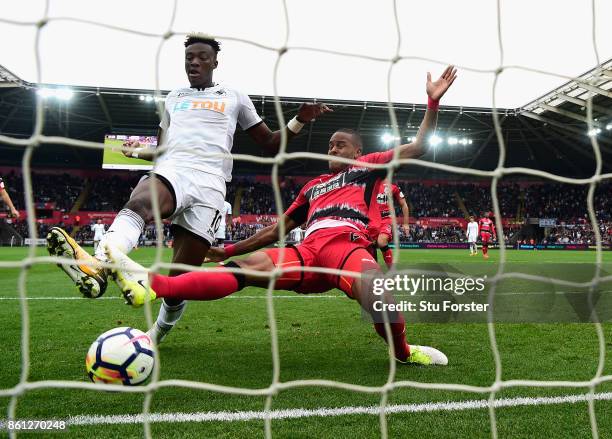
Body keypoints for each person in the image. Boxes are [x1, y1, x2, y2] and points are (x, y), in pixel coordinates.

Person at [107, 66, 457, 363]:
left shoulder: (369, 166)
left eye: (340, 144)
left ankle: (404, 353)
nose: (332, 148)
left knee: (378, 294)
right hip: (306, 253)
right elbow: (276, 230)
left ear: (358, 150)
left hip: (347, 249)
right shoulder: (314, 187)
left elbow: (419, 147)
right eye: (330, 144)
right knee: (239, 271)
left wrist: (432, 102)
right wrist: (229, 250)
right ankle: (150, 286)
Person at [46, 34, 331, 340]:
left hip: (211, 185)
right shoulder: (174, 97)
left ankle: (155, 334)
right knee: (141, 203)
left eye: (201, 57)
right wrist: (136, 152)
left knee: (179, 279)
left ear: (215, 62)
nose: (194, 62)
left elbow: (271, 144)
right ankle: (100, 264)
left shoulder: (234, 95)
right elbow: (162, 148)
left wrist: (299, 119)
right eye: (189, 58)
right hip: (174, 169)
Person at [376, 182, 409, 268]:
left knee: (381, 241)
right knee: (369, 245)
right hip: (372, 219)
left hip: (387, 218)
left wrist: (406, 224)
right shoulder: (369, 183)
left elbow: (404, 205)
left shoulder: (393, 185)